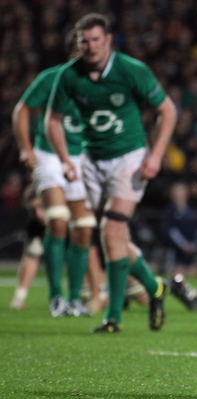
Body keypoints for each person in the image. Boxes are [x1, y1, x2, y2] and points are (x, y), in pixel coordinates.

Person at [46, 13, 180, 333]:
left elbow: (167, 110)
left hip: (129, 158)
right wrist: (65, 159)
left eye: (96, 40)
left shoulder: (131, 70)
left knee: (112, 229)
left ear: (108, 41)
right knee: (110, 236)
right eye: (85, 42)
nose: (90, 47)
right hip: (91, 160)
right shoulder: (69, 75)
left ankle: (113, 318)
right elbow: (52, 120)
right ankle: (155, 287)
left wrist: (156, 155)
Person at [12, 29, 95, 317]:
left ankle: (74, 299)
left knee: (83, 228)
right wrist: (26, 149)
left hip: (82, 157)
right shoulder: (51, 78)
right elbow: (22, 110)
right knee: (58, 222)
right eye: (81, 47)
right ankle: (56, 297)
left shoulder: (100, 83)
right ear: (72, 51)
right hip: (48, 154)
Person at [9, 186, 46, 311]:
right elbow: (30, 259)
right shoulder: (34, 223)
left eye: (41, 207)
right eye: (33, 209)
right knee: (32, 254)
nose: (39, 214)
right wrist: (19, 297)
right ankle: (19, 298)